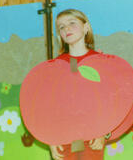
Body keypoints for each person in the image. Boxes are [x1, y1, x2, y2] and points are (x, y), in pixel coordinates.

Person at [49, 9, 108, 160]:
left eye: (72, 23)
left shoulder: (100, 61)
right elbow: (52, 104)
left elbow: (107, 100)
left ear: (86, 27)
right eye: (61, 27)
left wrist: (103, 132)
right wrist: (51, 138)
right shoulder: (57, 65)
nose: (66, 29)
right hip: (65, 136)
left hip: (93, 134)